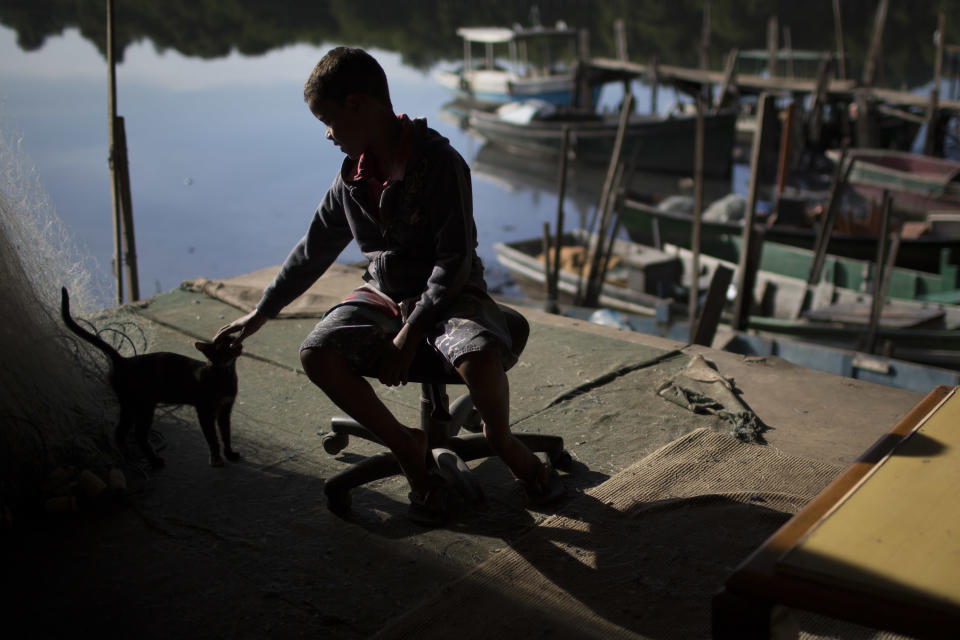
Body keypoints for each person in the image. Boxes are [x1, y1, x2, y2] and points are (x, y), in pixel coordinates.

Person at [215, 47, 562, 525]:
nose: (327, 134)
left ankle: (504, 442)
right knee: (317, 353)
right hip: (383, 294)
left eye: (328, 119)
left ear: (359, 105)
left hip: (452, 292)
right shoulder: (351, 179)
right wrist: (261, 311)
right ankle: (406, 447)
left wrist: (410, 333)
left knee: (476, 353)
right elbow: (313, 250)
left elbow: (455, 261)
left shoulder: (439, 163)